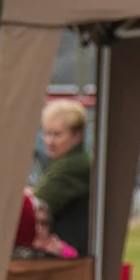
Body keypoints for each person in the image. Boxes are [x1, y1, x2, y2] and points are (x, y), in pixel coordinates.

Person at [33, 98, 94, 255]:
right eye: (46, 134)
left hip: (66, 255)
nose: (49, 141)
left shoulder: (72, 167)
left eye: (57, 135)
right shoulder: (75, 162)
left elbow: (36, 204)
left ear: (77, 136)